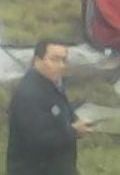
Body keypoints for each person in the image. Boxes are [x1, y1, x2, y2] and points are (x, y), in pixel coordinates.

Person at [6, 39, 92, 175]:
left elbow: (63, 113)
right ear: (37, 60)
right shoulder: (28, 94)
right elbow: (37, 139)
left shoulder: (54, 84)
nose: (61, 65)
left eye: (64, 60)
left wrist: (77, 121)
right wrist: (73, 131)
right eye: (54, 59)